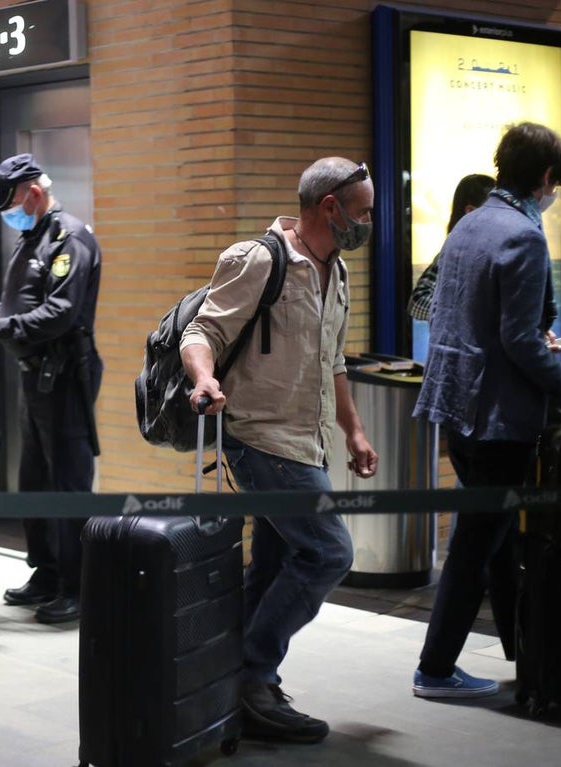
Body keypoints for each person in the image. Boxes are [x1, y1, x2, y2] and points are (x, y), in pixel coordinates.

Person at [180, 157, 380, 743]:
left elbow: (334, 362)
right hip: (260, 438)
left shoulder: (336, 270)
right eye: (363, 211)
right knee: (327, 554)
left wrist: (354, 431)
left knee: (271, 564)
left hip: (308, 440)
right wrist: (203, 378)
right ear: (329, 207)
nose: (368, 222)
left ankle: (230, 680)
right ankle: (254, 677)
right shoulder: (259, 259)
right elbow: (203, 332)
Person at [411, 122, 561, 699]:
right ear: (545, 178)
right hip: (498, 418)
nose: (554, 195)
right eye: (557, 184)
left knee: (492, 535)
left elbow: (468, 317)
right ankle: (435, 669)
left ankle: (524, 658)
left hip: (456, 406)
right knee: (476, 543)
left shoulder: (470, 225)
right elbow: (519, 338)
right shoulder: (522, 235)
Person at [0, 153, 102, 626]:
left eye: (13, 203)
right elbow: (16, 302)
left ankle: (78, 587)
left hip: (63, 377)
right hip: (33, 375)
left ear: (33, 194)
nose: (10, 214)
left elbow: (60, 313)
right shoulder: (31, 238)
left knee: (68, 484)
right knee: (34, 480)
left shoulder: (70, 239)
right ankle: (45, 571)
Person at [407, 174, 495, 322]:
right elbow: (417, 302)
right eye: (493, 211)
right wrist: (464, 315)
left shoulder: (497, 251)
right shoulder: (456, 253)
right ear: (470, 211)